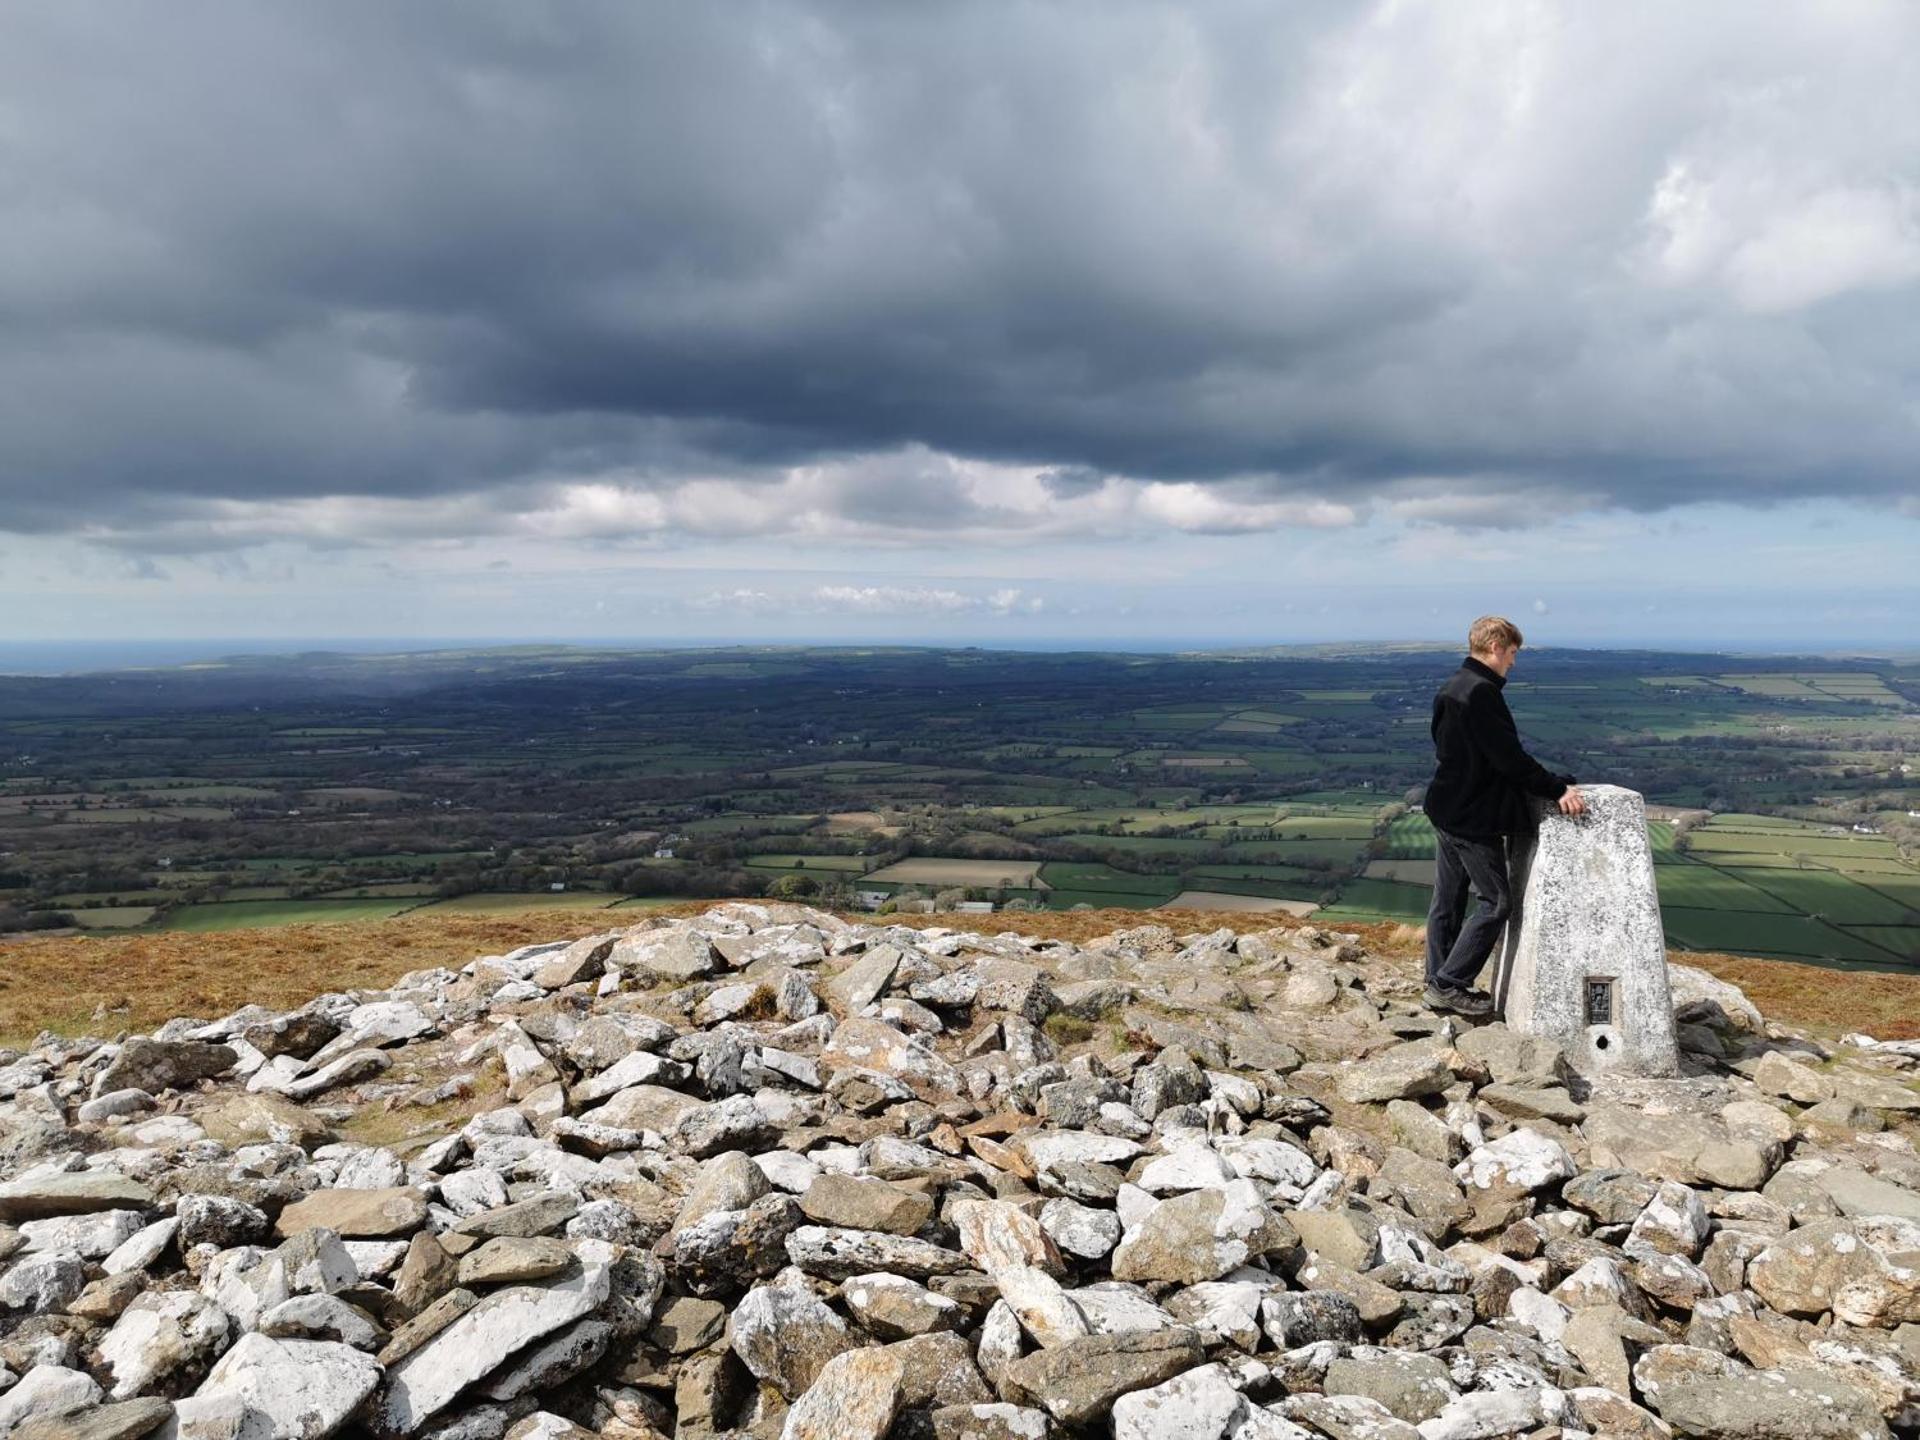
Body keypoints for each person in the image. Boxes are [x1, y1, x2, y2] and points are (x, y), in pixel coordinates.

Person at [1421, 615, 1584, 1016]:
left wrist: (1546, 779)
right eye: (1512, 653)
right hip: (1473, 816)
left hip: (1446, 806)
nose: (1513, 662)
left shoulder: (1453, 686)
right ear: (1495, 646)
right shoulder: (1480, 693)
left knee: (1448, 901)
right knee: (1495, 902)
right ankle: (1449, 984)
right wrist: (1556, 788)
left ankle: (1435, 979)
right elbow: (1508, 758)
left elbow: (1463, 753)